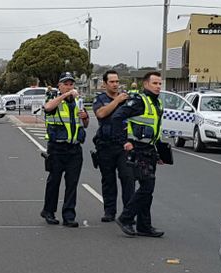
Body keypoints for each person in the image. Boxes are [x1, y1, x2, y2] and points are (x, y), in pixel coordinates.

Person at [111, 71, 165, 238]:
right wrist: (123, 142)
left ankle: (144, 225)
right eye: (155, 83)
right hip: (137, 150)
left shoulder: (157, 103)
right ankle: (126, 218)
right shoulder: (139, 101)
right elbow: (116, 118)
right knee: (147, 186)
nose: (158, 87)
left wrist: (159, 152)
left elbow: (156, 129)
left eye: (160, 84)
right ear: (146, 84)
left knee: (147, 189)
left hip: (149, 150)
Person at [40, 72, 90, 228]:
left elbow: (85, 124)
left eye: (71, 84)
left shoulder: (78, 102)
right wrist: (66, 94)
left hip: (74, 148)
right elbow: (47, 108)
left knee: (72, 183)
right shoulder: (53, 100)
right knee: (54, 181)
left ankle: (69, 215)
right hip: (57, 148)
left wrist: (85, 117)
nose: (69, 87)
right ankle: (48, 211)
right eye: (66, 84)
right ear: (59, 86)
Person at [92, 70, 135, 223]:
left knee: (128, 178)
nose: (115, 84)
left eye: (117, 81)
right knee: (108, 180)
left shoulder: (127, 100)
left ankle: (128, 213)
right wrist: (116, 102)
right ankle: (109, 211)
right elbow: (101, 114)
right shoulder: (100, 99)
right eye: (112, 82)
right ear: (105, 84)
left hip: (124, 145)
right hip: (105, 145)